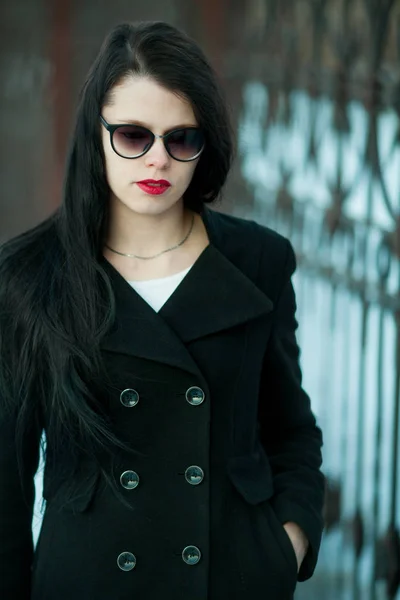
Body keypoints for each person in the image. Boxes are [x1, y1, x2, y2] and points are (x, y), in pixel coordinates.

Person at [0, 20, 325, 600]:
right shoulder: (29, 276)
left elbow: (291, 432)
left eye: (181, 139)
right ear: (96, 134)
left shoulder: (260, 261)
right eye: (132, 135)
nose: (158, 160)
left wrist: (287, 543)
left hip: (231, 578)